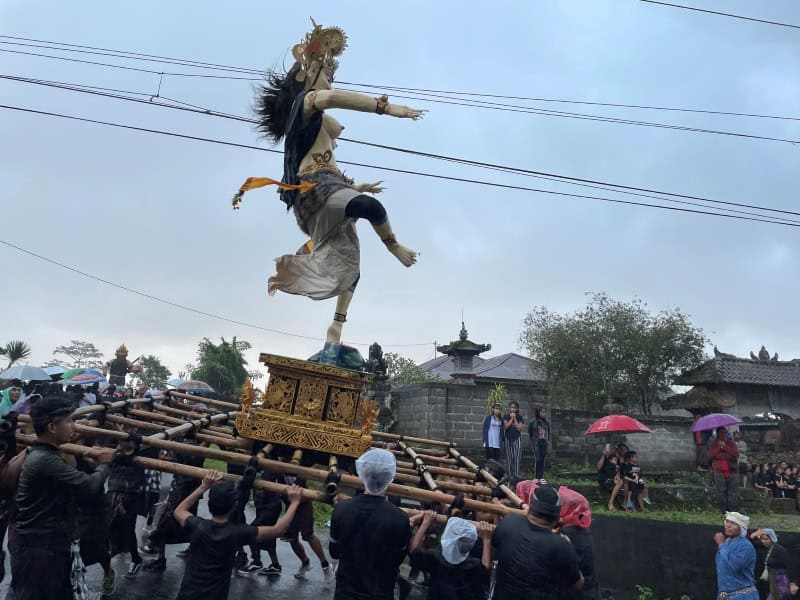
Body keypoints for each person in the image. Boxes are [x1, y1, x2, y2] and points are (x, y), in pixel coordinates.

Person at [232, 19, 423, 347]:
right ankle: (394, 247)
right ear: (309, 77)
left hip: (332, 189)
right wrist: (388, 108)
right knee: (370, 208)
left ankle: (336, 327)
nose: (330, 80)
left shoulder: (320, 127)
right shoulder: (306, 104)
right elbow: (336, 99)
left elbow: (333, 139)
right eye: (326, 74)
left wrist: (356, 186)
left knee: (350, 263)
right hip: (313, 191)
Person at [11, 393, 115, 600]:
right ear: (51, 427)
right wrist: (105, 462)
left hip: (48, 546)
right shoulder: (45, 460)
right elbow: (90, 486)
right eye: (69, 421)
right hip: (39, 551)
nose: (74, 427)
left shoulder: (45, 453)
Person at [173, 470, 303, 600]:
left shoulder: (197, 526)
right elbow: (278, 530)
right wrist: (295, 502)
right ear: (235, 505)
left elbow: (179, 510)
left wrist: (204, 486)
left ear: (209, 502)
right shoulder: (238, 533)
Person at [329, 448, 412, 600]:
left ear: (362, 473)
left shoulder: (341, 509)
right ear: (390, 477)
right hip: (380, 593)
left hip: (345, 593)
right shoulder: (400, 519)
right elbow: (397, 559)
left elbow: (334, 552)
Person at [492, 485, 583, 599]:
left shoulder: (508, 521)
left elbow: (494, 551)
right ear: (556, 518)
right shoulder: (562, 546)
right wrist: (569, 547)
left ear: (530, 509)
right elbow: (578, 584)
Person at [409, 512, 492, 600]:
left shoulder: (435, 557)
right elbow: (485, 568)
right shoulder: (473, 565)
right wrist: (487, 539)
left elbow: (414, 550)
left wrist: (425, 523)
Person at [714, 512, 758, 600]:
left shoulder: (745, 546)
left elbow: (736, 565)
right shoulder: (726, 543)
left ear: (741, 527)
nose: (728, 525)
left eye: (733, 523)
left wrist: (721, 545)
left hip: (743, 596)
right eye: (727, 521)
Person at [750, 528, 792, 600]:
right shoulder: (763, 548)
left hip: (779, 580)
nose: (764, 541)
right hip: (767, 582)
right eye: (762, 539)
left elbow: (789, 566)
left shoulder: (780, 550)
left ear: (772, 539)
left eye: (766, 539)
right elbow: (752, 542)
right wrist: (753, 535)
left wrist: (793, 582)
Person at [708, 426, 739, 512]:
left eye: (725, 432)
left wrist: (725, 447)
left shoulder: (731, 443)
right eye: (721, 432)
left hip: (732, 470)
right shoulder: (713, 444)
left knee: (732, 492)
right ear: (717, 433)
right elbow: (710, 456)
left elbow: (735, 454)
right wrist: (719, 448)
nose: (723, 434)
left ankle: (733, 510)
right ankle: (723, 511)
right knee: (721, 492)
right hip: (719, 471)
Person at [596, 446, 622, 511]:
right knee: (620, 482)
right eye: (612, 448)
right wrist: (603, 455)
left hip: (613, 479)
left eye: (615, 449)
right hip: (605, 479)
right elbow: (599, 467)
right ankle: (610, 503)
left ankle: (625, 504)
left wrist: (617, 476)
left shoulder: (616, 459)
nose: (613, 450)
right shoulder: (604, 459)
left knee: (623, 483)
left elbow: (618, 471)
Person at [528, 406, 550, 484]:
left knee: (543, 459)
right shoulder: (533, 421)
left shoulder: (546, 422)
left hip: (544, 442)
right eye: (541, 412)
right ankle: (536, 477)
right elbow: (530, 431)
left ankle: (541, 477)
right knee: (538, 459)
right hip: (536, 442)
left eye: (544, 412)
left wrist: (548, 442)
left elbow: (548, 433)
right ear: (538, 412)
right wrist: (533, 440)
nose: (543, 414)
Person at [502, 401, 524, 480]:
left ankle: (516, 475)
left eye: (514, 407)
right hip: (508, 438)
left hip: (517, 439)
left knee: (517, 457)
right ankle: (509, 475)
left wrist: (515, 418)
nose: (513, 409)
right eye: (511, 407)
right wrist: (511, 418)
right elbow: (506, 427)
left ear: (517, 408)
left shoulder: (520, 417)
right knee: (509, 457)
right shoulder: (506, 416)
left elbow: (519, 428)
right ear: (509, 408)